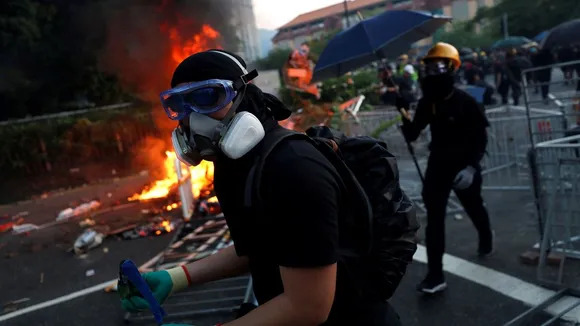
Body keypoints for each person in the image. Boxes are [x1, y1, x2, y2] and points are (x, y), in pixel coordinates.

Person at [120, 49, 412, 325]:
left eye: (208, 98)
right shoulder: (237, 164)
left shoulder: (292, 168)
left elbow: (308, 307)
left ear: (242, 94)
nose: (193, 118)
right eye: (179, 105)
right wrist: (178, 277)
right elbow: (261, 245)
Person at [399, 42, 494, 294]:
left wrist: (472, 168)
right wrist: (402, 111)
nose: (433, 72)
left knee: (474, 206)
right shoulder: (427, 103)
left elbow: (480, 137)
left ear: (451, 68)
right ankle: (435, 275)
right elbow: (412, 134)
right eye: (428, 67)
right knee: (435, 220)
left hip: (465, 166)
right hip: (438, 165)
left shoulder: (466, 101)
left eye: (439, 66)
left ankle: (486, 236)